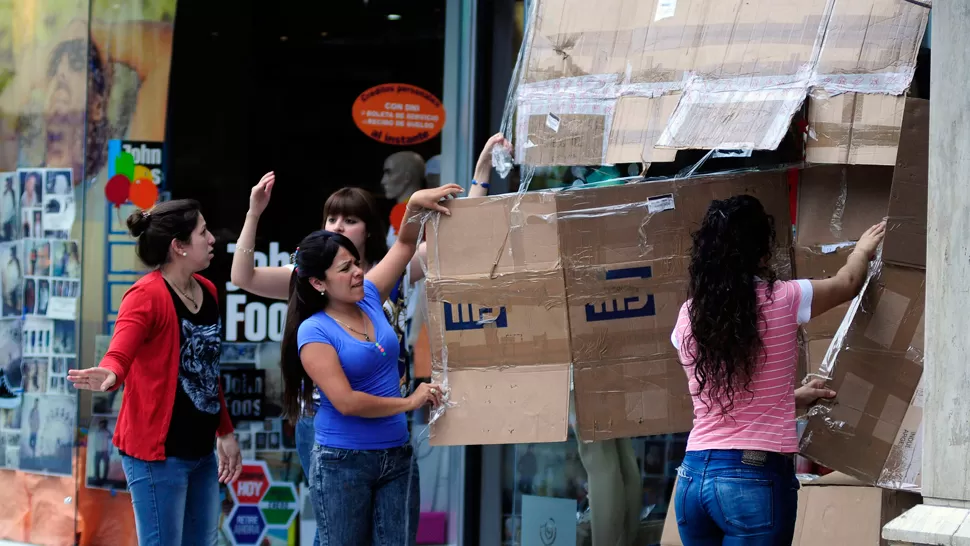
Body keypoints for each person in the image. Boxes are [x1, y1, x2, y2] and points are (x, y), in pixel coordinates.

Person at [671, 195, 885, 546]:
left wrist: (792, 401)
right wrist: (861, 250)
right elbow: (848, 283)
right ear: (763, 251)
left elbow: (726, 399)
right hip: (752, 480)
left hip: (693, 477)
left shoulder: (688, 315)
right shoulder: (784, 298)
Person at [279, 182, 460, 545]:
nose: (358, 272)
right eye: (345, 269)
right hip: (342, 462)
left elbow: (405, 246)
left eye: (357, 264)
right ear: (318, 283)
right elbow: (345, 401)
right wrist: (409, 402)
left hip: (396, 457)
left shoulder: (371, 296)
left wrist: (414, 206)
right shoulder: (314, 332)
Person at [68, 199, 242, 546]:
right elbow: (120, 351)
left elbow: (206, 373)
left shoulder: (207, 291)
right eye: (203, 232)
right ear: (178, 246)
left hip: (202, 454)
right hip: (156, 456)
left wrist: (225, 430)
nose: (212, 240)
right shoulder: (145, 295)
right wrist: (111, 372)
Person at [93, 419, 113, 483]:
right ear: (99, 424)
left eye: (103, 424)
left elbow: (111, 441)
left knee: (106, 465)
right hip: (98, 451)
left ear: (105, 425)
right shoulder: (97, 431)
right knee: (96, 465)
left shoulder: (108, 432)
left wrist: (110, 450)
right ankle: (97, 478)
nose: (102, 425)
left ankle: (105, 479)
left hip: (105, 451)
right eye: (101, 424)